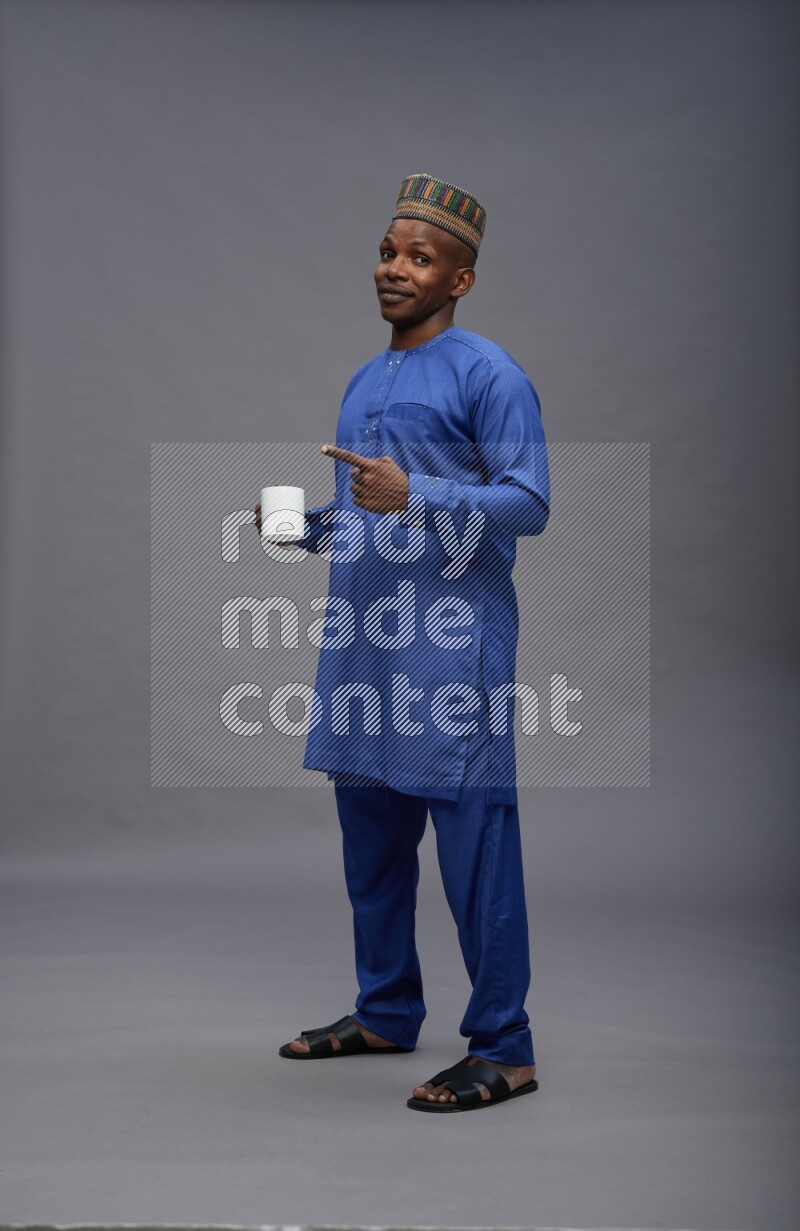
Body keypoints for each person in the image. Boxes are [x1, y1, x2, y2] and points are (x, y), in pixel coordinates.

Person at [257, 173, 550, 1112]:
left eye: (420, 258)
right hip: (367, 651)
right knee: (370, 846)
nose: (395, 269)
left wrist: (416, 495)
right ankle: (386, 1008)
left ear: (459, 279)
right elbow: (366, 509)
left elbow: (530, 503)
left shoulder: (488, 372)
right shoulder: (365, 378)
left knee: (473, 854)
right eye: (389, 251)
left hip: (450, 655)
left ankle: (505, 1046)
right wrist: (305, 525)